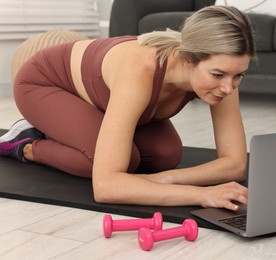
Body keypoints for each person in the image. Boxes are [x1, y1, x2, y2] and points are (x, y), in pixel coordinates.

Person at [0, 6, 255, 211]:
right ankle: (27, 143)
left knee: (166, 156)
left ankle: (83, 129)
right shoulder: (140, 69)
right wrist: (201, 194)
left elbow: (235, 165)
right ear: (188, 59)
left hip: (103, 97)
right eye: (218, 74)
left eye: (238, 75)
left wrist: (165, 179)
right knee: (114, 163)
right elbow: (106, 187)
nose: (228, 88)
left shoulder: (224, 73)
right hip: (45, 84)